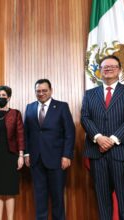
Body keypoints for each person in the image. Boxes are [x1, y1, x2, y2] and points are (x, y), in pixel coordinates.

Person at [81, 55, 124, 220]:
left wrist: (113, 139)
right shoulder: (89, 94)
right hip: (97, 153)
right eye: (104, 67)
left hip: (123, 152)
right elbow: (85, 118)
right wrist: (99, 137)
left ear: (120, 70)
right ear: (100, 71)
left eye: (112, 66)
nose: (108, 69)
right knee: (102, 200)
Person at [24, 79, 75, 220]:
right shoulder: (29, 107)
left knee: (57, 196)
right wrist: (26, 153)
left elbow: (69, 133)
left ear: (51, 90)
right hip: (36, 159)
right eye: (38, 91)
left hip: (57, 159)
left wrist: (67, 155)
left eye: (44, 90)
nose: (41, 93)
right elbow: (26, 133)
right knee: (39, 197)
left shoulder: (61, 107)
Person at [0, 85, 25, 220]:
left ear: (9, 97)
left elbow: (20, 135)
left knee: (10, 191)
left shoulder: (15, 113)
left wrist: (21, 156)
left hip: (11, 156)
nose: (1, 97)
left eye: (4, 95)